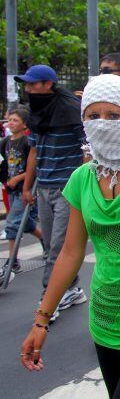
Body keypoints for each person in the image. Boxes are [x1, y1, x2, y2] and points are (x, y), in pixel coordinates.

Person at [20, 74, 120, 399]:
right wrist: (41, 321)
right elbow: (70, 252)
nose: (103, 124)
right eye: (93, 116)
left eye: (113, 115)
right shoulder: (82, 178)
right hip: (104, 320)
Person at [17, 65, 87, 319]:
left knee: (58, 246)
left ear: (48, 84)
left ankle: (50, 298)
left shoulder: (70, 108)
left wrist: (84, 186)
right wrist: (27, 187)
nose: (28, 89)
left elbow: (86, 148)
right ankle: (72, 287)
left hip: (67, 187)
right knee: (49, 244)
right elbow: (34, 150)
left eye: (32, 85)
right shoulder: (37, 112)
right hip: (44, 186)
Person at [0, 106, 43, 282]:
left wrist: (19, 179)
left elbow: (33, 168)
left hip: (23, 188)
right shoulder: (5, 142)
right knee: (25, 224)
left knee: (11, 224)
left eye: (15, 120)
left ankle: (13, 260)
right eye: (9, 119)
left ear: (24, 124)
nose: (11, 123)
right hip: (10, 188)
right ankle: (45, 241)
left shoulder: (27, 143)